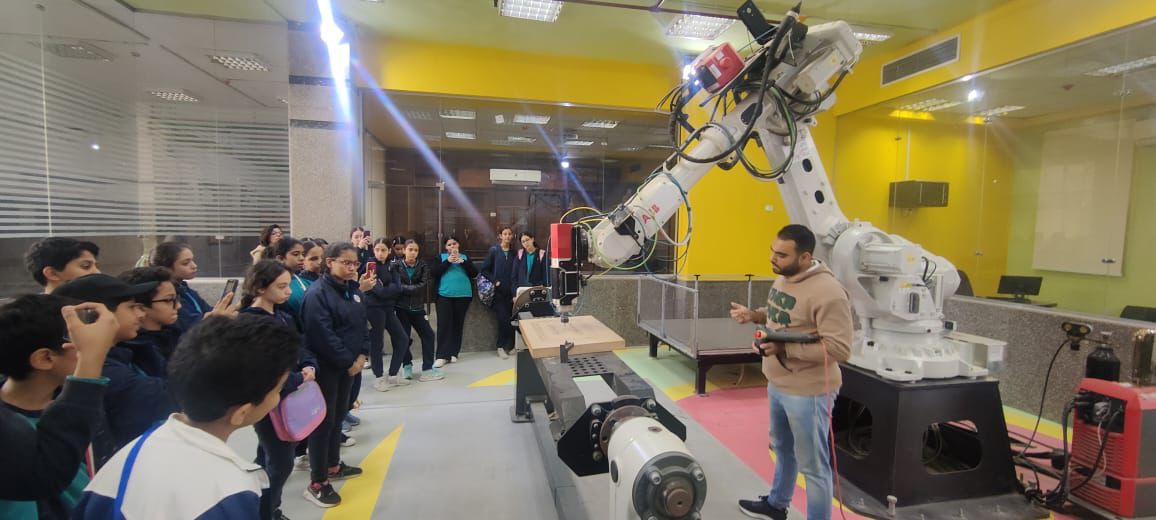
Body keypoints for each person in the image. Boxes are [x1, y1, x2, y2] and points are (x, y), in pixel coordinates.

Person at [73, 314, 301, 520]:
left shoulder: (131, 453)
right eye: (278, 390)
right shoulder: (228, 491)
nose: (277, 398)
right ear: (240, 413)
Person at [729, 224, 852, 520]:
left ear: (805, 257)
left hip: (808, 393)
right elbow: (782, 314)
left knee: (814, 468)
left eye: (781, 255)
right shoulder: (785, 276)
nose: (773, 258)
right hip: (778, 384)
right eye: (773, 251)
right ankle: (776, 504)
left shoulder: (829, 293)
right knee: (783, 449)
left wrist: (784, 350)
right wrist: (754, 315)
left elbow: (839, 349)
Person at [0, 296, 118, 519]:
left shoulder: (79, 406)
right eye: (80, 342)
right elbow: (43, 474)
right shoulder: (12, 440)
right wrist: (89, 362)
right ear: (45, 358)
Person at [52, 274, 175, 458]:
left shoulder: (132, 350)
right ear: (94, 315)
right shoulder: (98, 368)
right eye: (131, 307)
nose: (141, 314)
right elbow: (169, 396)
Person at [238, 260, 318, 520]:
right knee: (281, 462)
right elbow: (260, 368)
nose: (288, 291)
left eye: (288, 285)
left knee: (268, 457)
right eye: (281, 286)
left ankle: (267, 508)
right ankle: (267, 511)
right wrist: (295, 379)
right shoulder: (250, 322)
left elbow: (299, 345)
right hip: (268, 401)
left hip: (287, 396)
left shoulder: (282, 315)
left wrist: (308, 365)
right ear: (260, 288)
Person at [301, 242, 373, 508]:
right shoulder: (317, 294)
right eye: (346, 263)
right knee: (323, 423)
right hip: (328, 368)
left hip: (350, 367)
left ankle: (333, 465)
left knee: (337, 417)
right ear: (329, 262)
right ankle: (317, 482)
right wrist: (347, 361)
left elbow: (362, 324)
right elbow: (321, 334)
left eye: (355, 263)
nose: (352, 268)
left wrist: (362, 354)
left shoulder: (352, 291)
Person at [151, 242, 236, 335]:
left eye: (192, 260)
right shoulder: (167, 295)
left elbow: (208, 310)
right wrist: (214, 318)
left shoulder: (185, 288)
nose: (194, 266)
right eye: (185, 263)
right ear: (166, 268)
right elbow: (191, 324)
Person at [392, 240, 443, 382]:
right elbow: (396, 285)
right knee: (403, 338)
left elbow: (423, 284)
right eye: (410, 249)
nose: (413, 252)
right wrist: (407, 289)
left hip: (418, 308)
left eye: (416, 250)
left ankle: (427, 369)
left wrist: (405, 289)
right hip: (401, 308)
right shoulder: (396, 266)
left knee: (429, 335)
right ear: (404, 250)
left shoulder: (423, 265)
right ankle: (406, 365)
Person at [366, 238, 411, 391]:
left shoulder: (393, 264)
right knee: (377, 343)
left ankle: (393, 374)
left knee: (402, 339)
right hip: (374, 308)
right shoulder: (370, 265)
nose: (380, 253)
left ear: (389, 251)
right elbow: (377, 290)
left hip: (389, 308)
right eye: (377, 249)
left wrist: (387, 288)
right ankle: (378, 377)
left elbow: (398, 288)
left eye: (383, 250)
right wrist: (388, 289)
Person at [118, 267, 182, 360]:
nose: (178, 306)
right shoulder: (134, 351)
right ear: (140, 307)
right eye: (168, 300)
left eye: (176, 299)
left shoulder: (175, 333)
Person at [432, 236, 477, 368]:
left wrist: (463, 262)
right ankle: (441, 356)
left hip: (463, 295)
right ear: (446, 247)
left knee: (458, 325)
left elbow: (474, 272)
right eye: (449, 244)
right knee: (444, 325)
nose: (452, 246)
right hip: (444, 295)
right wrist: (448, 261)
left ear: (458, 245)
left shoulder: (465, 257)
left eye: (454, 243)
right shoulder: (440, 258)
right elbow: (434, 272)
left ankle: (453, 352)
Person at [480, 227, 518, 359]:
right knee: (503, 320)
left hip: (512, 292)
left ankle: (512, 346)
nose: (507, 236)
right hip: (498, 293)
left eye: (509, 234)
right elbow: (484, 270)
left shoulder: (515, 253)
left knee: (513, 320)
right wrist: (495, 281)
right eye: (505, 234)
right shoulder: (494, 251)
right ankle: (500, 346)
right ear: (500, 236)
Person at [23, 237, 101, 294]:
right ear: (52, 273)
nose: (98, 272)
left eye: (96, 266)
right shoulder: (32, 311)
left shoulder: (99, 306)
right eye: (85, 266)